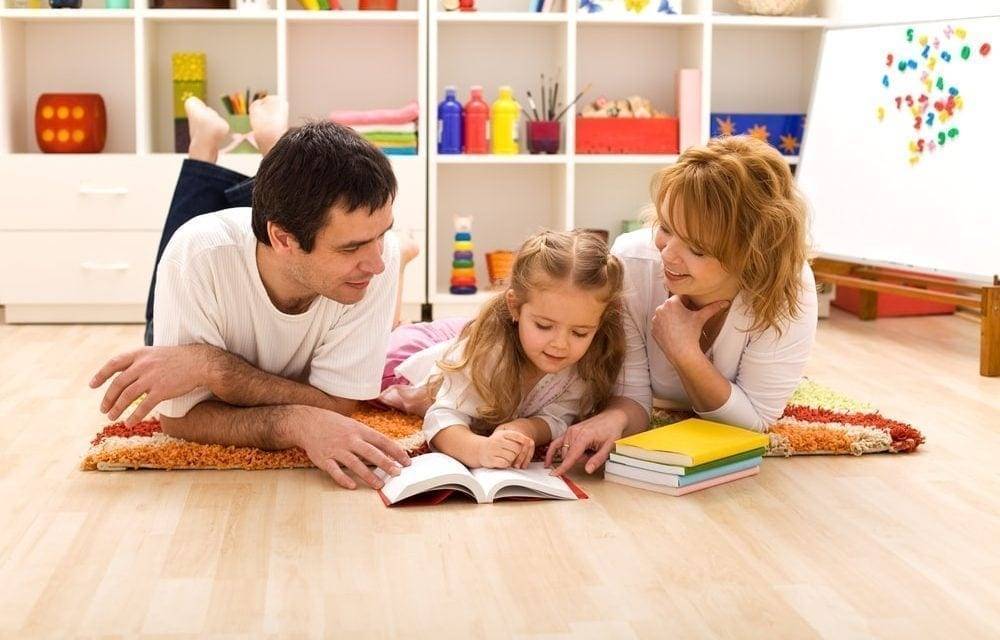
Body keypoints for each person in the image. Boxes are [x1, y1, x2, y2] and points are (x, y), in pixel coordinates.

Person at [90, 97, 420, 490]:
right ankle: (207, 144)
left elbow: (339, 405)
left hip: (263, 255)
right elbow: (180, 419)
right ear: (283, 238)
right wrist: (296, 419)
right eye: (350, 248)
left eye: (382, 235)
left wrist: (211, 367)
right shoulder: (197, 256)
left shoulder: (375, 265)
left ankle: (274, 147)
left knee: (292, 197)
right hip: (217, 262)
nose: (379, 265)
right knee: (187, 234)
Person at [548, 135, 818, 476]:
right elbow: (631, 393)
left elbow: (754, 424)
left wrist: (684, 352)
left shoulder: (788, 287)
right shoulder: (631, 264)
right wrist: (612, 419)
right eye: (666, 228)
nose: (668, 253)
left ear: (752, 255)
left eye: (698, 249)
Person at [376, 230, 626, 469]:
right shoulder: (488, 355)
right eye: (544, 326)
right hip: (411, 355)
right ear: (515, 307)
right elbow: (440, 417)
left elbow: (560, 417)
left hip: (480, 334)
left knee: (471, 332)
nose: (561, 344)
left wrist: (527, 428)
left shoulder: (586, 360)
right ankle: (398, 257)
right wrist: (479, 450)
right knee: (385, 337)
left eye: (579, 332)